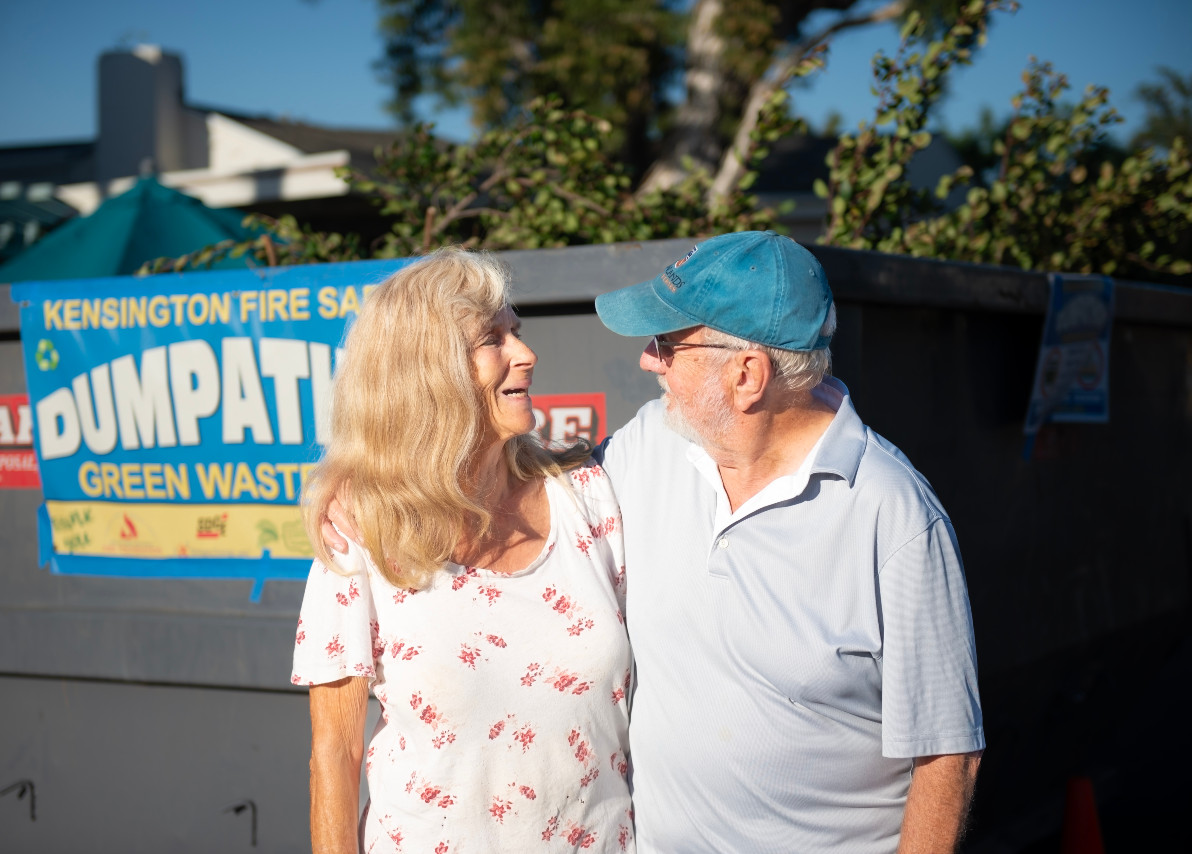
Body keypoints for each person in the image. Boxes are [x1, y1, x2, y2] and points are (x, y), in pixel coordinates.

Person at [591, 230, 984, 853]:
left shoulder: (895, 516)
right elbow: (535, 503)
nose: (648, 360)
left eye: (667, 343)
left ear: (747, 375)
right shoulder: (649, 443)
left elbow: (947, 755)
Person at [292, 249, 634, 853]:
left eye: (515, 331)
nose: (525, 353)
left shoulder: (587, 495)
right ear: (427, 372)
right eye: (492, 339)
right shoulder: (360, 535)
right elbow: (335, 752)